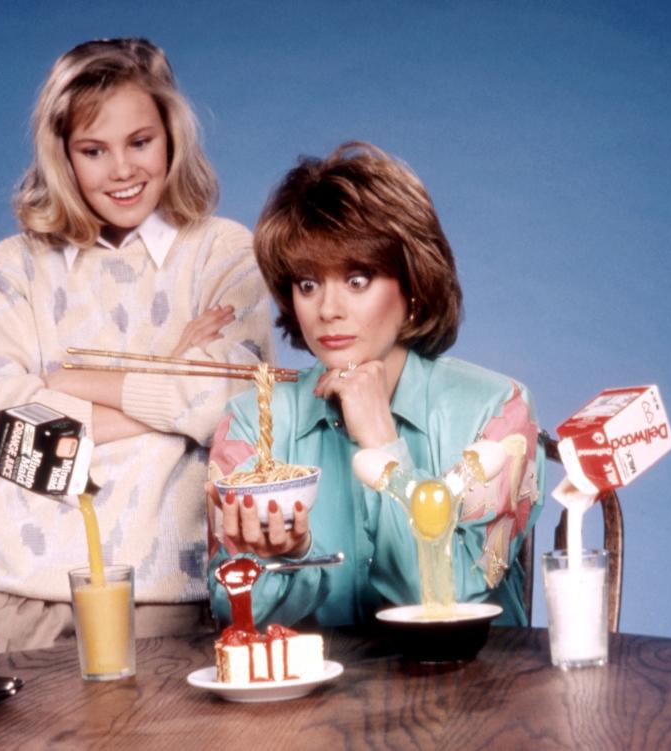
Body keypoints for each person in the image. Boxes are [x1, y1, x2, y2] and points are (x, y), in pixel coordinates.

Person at [0, 38, 273, 652]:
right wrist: (172, 379)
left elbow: (232, 405)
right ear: (62, 156)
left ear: (172, 138)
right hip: (19, 593)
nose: (121, 170)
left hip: (166, 593)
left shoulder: (224, 253)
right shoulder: (11, 270)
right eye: (93, 150)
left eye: (140, 142)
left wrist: (62, 385)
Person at [207, 142, 543, 628]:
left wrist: (384, 447)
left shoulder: (498, 413)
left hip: (470, 692)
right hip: (313, 698)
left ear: (412, 285)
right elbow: (234, 612)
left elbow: (450, 601)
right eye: (307, 284)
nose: (327, 310)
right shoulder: (249, 425)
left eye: (358, 280)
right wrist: (293, 556)